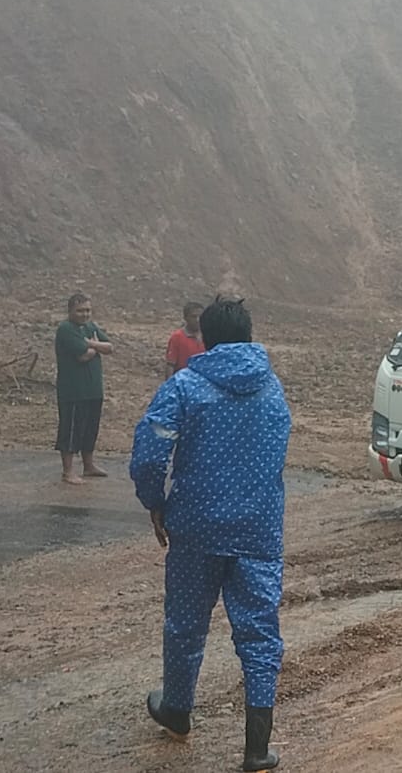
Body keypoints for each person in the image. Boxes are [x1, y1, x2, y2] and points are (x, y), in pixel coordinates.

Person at [129, 296, 291, 772]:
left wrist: (155, 502)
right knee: (260, 637)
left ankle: (177, 709)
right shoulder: (273, 389)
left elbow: (149, 454)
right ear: (249, 334)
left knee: (185, 625)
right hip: (258, 531)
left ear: (205, 337)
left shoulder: (185, 386)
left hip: (196, 528)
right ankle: (257, 749)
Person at [54, 292, 114, 485]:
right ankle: (68, 471)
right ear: (70, 311)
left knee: (90, 428)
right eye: (80, 311)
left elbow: (110, 347)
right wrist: (95, 346)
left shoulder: (90, 327)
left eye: (88, 310)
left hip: (93, 389)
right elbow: (83, 355)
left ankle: (88, 465)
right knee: (71, 430)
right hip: (73, 390)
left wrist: (90, 343)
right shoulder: (65, 329)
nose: (85, 314)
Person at [164, 301, 206, 379]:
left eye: (200, 316)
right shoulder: (177, 337)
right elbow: (170, 365)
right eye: (193, 316)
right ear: (186, 318)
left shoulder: (208, 336)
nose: (197, 320)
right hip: (182, 381)